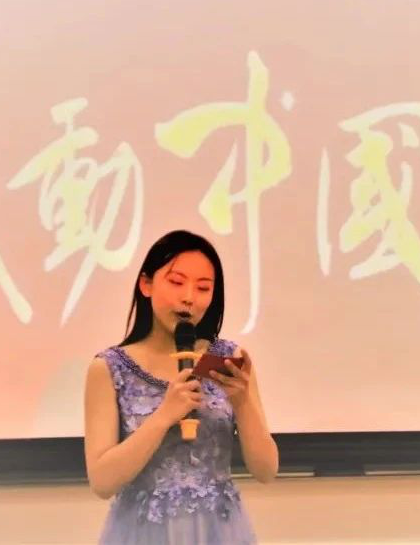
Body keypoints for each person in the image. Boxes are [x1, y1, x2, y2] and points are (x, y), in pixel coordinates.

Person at [84, 229, 278, 544]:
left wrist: (242, 403)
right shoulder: (109, 367)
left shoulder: (228, 361)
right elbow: (102, 482)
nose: (189, 297)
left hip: (219, 531)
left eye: (203, 288)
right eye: (176, 282)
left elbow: (266, 470)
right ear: (146, 284)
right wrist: (164, 416)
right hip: (143, 532)